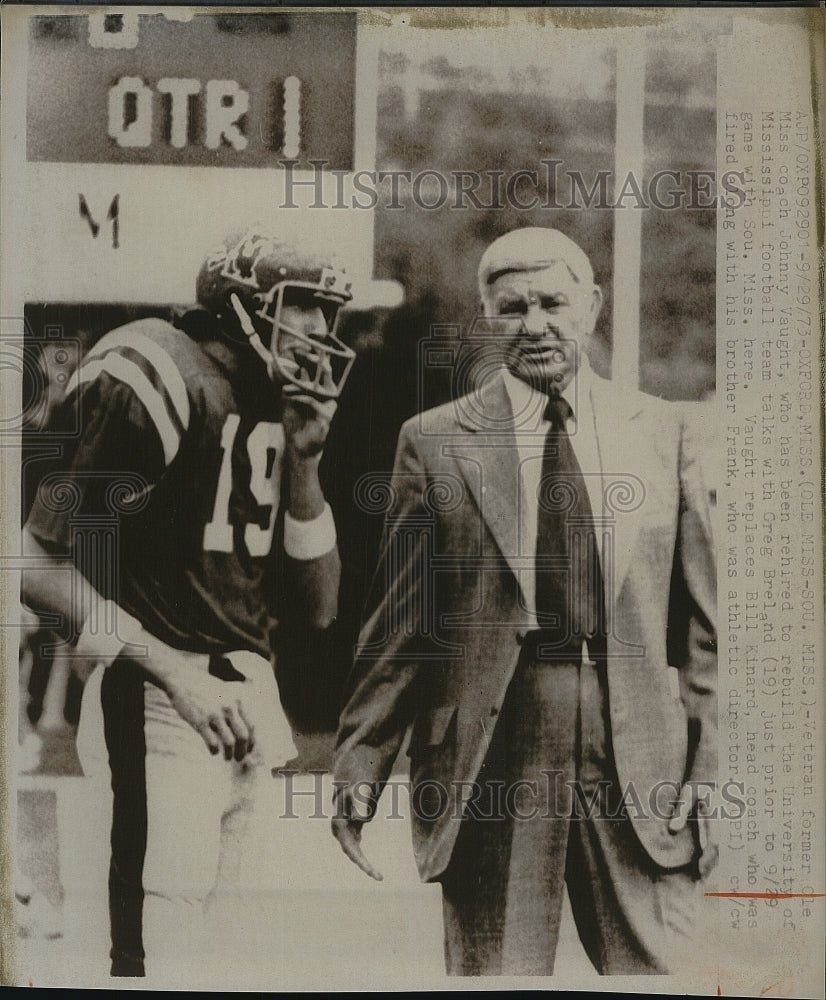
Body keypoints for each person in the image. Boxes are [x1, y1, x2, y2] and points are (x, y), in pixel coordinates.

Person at [332, 226, 717, 976]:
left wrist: (711, 769)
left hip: (638, 743)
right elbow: (402, 631)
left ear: (593, 308)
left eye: (552, 303)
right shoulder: (435, 443)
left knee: (663, 972)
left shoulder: (662, 433)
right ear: (487, 317)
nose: (534, 324)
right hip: (494, 745)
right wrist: (359, 764)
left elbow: (707, 634)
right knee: (498, 974)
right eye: (512, 308)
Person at [21, 225, 356, 979]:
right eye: (302, 306)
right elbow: (33, 562)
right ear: (241, 303)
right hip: (158, 693)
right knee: (149, 953)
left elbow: (319, 608)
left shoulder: (274, 399)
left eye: (326, 313)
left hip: (242, 698)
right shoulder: (155, 369)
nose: (318, 331)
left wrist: (306, 461)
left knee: (217, 963)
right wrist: (174, 670)